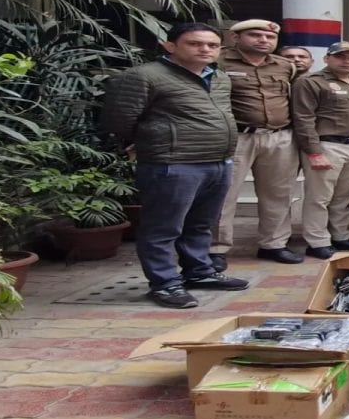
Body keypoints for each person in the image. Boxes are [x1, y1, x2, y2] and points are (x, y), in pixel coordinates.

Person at [101, 23, 249, 309]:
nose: (205, 49)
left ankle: (199, 272)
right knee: (163, 227)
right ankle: (165, 283)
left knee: (201, 224)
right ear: (170, 46)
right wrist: (145, 142)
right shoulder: (144, 76)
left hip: (218, 162)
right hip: (172, 163)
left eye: (212, 45)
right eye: (195, 43)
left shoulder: (219, 77)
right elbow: (119, 120)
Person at [212, 19, 302, 269]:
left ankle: (274, 244)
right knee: (223, 194)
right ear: (235, 38)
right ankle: (215, 248)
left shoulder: (285, 66)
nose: (264, 40)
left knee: (279, 194)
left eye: (270, 37)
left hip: (279, 137)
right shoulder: (218, 61)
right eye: (255, 35)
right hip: (236, 137)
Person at [291, 40, 349, 259]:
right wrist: (314, 152)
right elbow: (304, 119)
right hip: (327, 145)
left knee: (344, 196)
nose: (347, 61)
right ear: (327, 58)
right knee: (319, 197)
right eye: (340, 56)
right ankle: (317, 241)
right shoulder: (311, 82)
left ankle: (340, 236)